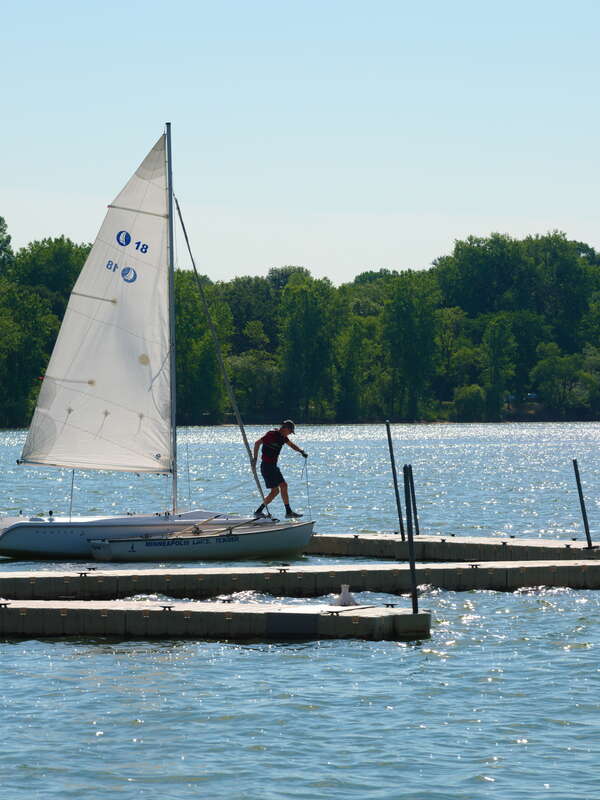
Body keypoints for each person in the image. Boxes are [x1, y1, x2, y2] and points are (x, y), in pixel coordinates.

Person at [252, 420, 308, 518]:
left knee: (275, 491)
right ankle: (288, 512)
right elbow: (257, 443)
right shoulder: (271, 434)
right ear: (285, 428)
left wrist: (301, 451)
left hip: (272, 466)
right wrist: (255, 459)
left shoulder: (283, 438)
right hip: (267, 466)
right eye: (290, 431)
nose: (290, 433)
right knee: (283, 486)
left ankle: (258, 511)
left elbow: (292, 445)